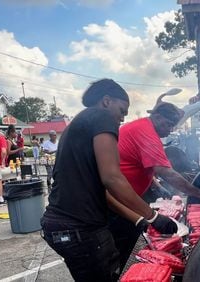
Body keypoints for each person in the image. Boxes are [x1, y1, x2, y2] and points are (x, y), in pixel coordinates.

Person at [41, 79, 178, 282]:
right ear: (106, 101)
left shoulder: (79, 123)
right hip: (78, 228)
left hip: (62, 225)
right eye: (122, 111)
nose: (122, 119)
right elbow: (112, 178)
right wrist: (153, 217)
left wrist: (139, 219)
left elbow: (103, 191)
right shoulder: (101, 117)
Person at [115, 101, 200, 270]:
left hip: (125, 196)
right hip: (119, 199)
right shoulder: (146, 132)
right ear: (157, 117)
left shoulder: (141, 127)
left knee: (127, 241)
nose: (170, 130)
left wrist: (156, 185)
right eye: (169, 124)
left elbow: (141, 164)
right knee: (122, 244)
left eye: (173, 126)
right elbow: (167, 172)